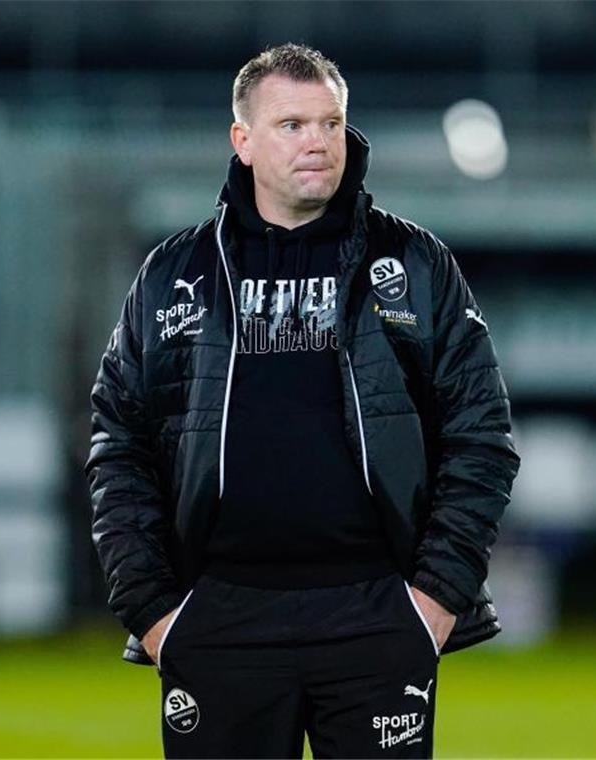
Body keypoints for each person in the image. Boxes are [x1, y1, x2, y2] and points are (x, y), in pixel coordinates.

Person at [87, 43, 520, 758]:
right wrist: (156, 611)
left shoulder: (415, 264)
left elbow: (482, 435)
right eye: (291, 124)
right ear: (244, 141)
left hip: (378, 616)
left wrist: (434, 601)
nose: (317, 141)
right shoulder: (175, 272)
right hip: (216, 617)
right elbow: (116, 442)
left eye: (330, 122)